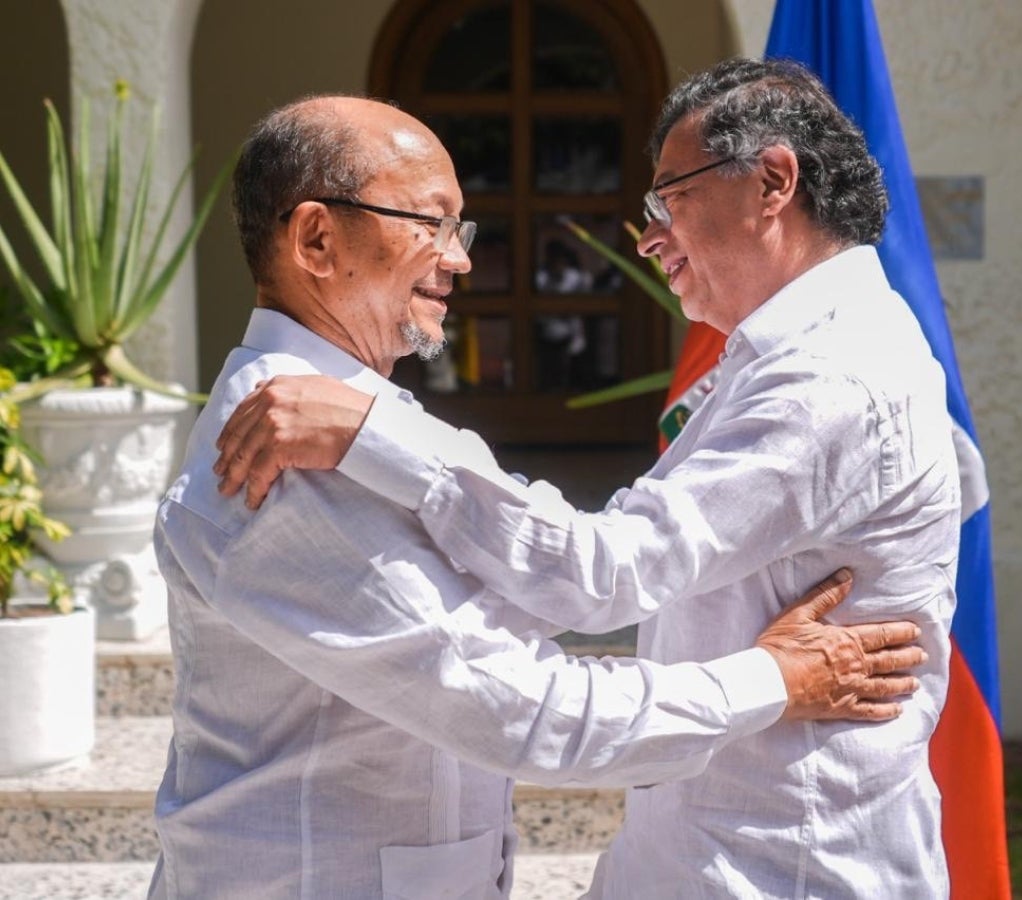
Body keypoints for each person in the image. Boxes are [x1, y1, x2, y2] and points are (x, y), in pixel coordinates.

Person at [151, 91, 924, 900]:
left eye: (461, 229)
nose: (460, 259)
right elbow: (525, 708)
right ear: (316, 237)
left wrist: (382, 436)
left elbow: (559, 574)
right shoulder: (286, 458)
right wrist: (775, 680)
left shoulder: (342, 418)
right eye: (432, 223)